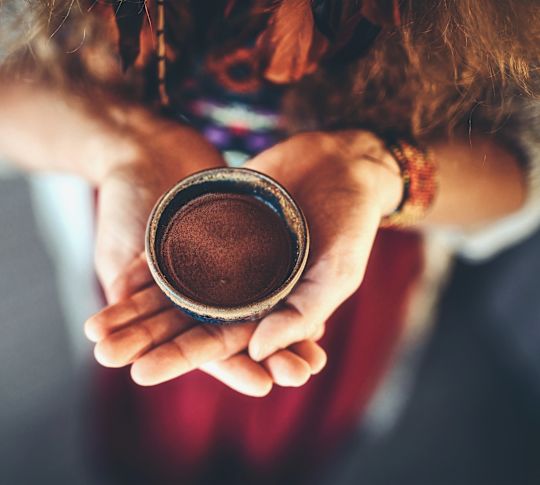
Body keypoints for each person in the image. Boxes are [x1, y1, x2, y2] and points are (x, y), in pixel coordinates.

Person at [1, 1, 539, 483]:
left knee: (302, 418)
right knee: (152, 407)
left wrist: (378, 171)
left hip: (350, 259)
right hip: (134, 228)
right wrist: (119, 145)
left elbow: (524, 163)